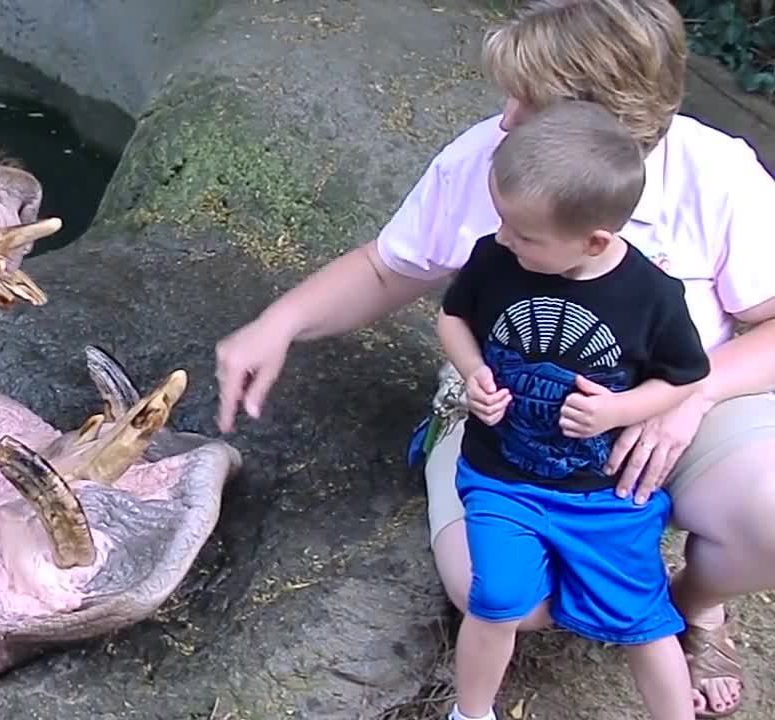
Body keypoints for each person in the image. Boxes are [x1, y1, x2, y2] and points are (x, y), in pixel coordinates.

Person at [212, 1, 775, 716]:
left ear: (607, 115)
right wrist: (280, 322)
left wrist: (688, 397)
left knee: (771, 511)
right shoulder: (486, 158)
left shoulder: (715, 173)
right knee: (504, 596)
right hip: (509, 419)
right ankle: (612, 592)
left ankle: (694, 609)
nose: (506, 119)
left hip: (677, 407)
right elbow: (391, 270)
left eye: (530, 102)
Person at [439, 100, 709, 720]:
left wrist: (619, 410)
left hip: (602, 494)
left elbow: (685, 378)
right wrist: (474, 370)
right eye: (503, 222)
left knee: (641, 616)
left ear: (594, 240)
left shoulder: (652, 297)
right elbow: (452, 318)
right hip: (502, 478)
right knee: (497, 596)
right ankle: (470, 712)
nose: (504, 239)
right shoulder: (496, 258)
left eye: (524, 234)